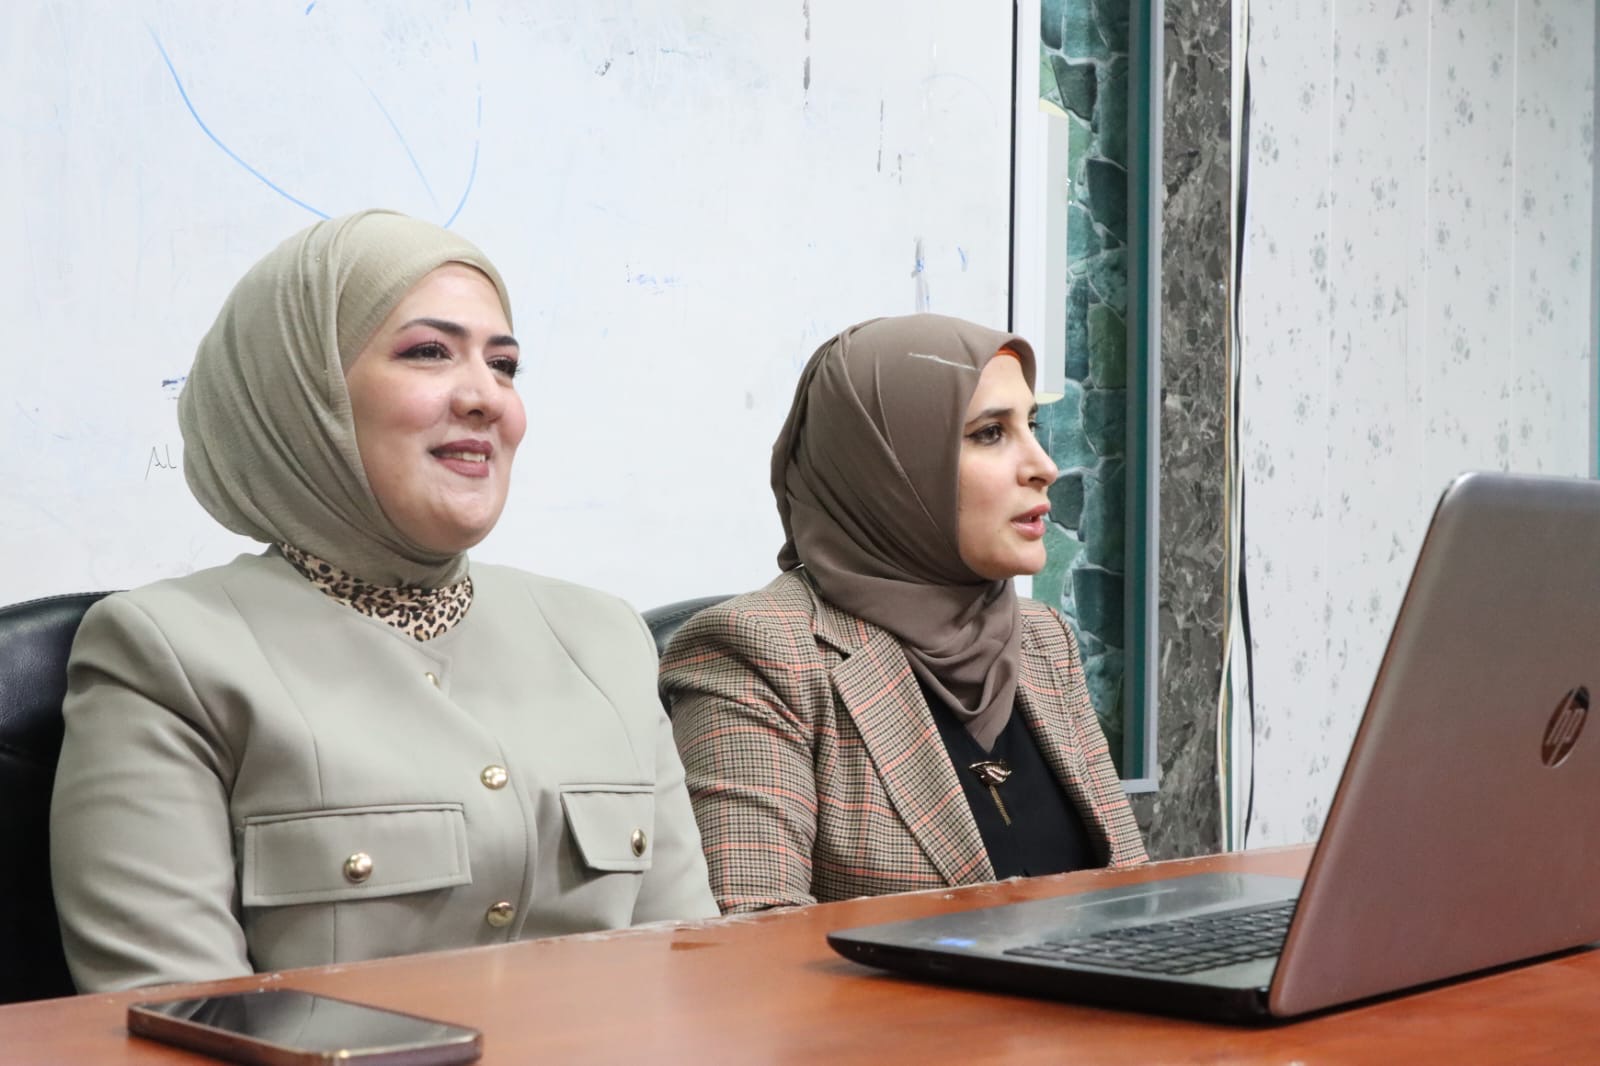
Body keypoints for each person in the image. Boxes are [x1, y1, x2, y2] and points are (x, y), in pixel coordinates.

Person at [50, 210, 716, 992]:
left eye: (504, 365)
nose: (487, 397)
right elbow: (176, 1017)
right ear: (304, 393)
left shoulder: (605, 640)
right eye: (429, 352)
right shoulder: (168, 652)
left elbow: (693, 981)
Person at [660, 313, 1146, 914]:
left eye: (1032, 425)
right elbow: (755, 939)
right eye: (990, 433)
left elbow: (1135, 894)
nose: (1045, 465)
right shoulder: (757, 653)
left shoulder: (1042, 640)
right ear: (888, 467)